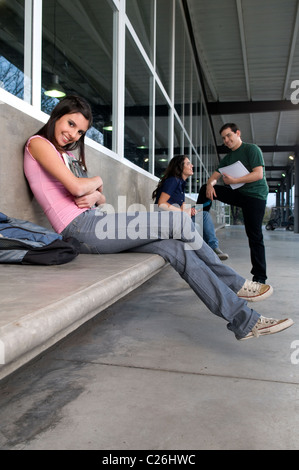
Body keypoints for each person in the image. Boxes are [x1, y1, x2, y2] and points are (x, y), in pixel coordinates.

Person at [23, 96, 293, 340]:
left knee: (176, 248)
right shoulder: (38, 144)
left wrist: (94, 194)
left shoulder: (65, 155)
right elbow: (78, 188)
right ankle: (236, 283)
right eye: (70, 124)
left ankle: (244, 321)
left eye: (80, 131)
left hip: (96, 223)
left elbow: (99, 198)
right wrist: (97, 181)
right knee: (179, 221)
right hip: (81, 229)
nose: (72, 134)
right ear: (57, 115)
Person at [197, 123, 269, 284]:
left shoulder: (251, 149)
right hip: (239, 194)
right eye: (223, 138)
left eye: (229, 136)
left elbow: (258, 174)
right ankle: (197, 226)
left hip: (255, 196)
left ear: (237, 133)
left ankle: (260, 277)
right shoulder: (228, 159)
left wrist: (235, 180)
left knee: (254, 235)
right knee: (204, 189)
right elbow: (214, 177)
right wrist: (210, 184)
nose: (226, 140)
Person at [152, 155, 229, 261]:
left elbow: (183, 207)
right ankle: (206, 252)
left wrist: (190, 211)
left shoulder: (181, 184)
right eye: (188, 163)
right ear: (180, 167)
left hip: (176, 219)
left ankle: (214, 248)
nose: (192, 165)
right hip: (165, 221)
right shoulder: (172, 181)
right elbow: (161, 204)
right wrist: (183, 212)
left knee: (204, 215)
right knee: (193, 227)